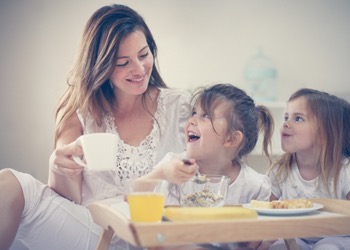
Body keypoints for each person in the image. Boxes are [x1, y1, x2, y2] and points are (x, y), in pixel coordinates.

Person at [0, 4, 196, 250]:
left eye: (144, 55)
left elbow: (215, 166)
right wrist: (59, 166)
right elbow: (66, 201)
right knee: (7, 182)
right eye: (123, 63)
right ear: (100, 66)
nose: (139, 69)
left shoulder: (181, 106)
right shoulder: (78, 110)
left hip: (155, 234)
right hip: (92, 231)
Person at [146, 83, 274, 249]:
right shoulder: (173, 167)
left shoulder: (255, 186)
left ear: (231, 139)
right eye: (194, 113)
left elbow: (252, 243)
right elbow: (137, 199)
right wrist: (161, 174)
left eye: (205, 116)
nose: (191, 120)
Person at [265, 88, 350, 250]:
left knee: (327, 247)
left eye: (298, 118)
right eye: (286, 117)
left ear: (325, 132)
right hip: (296, 236)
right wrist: (266, 242)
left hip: (339, 237)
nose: (285, 123)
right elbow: (265, 211)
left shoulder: (345, 170)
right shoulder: (280, 170)